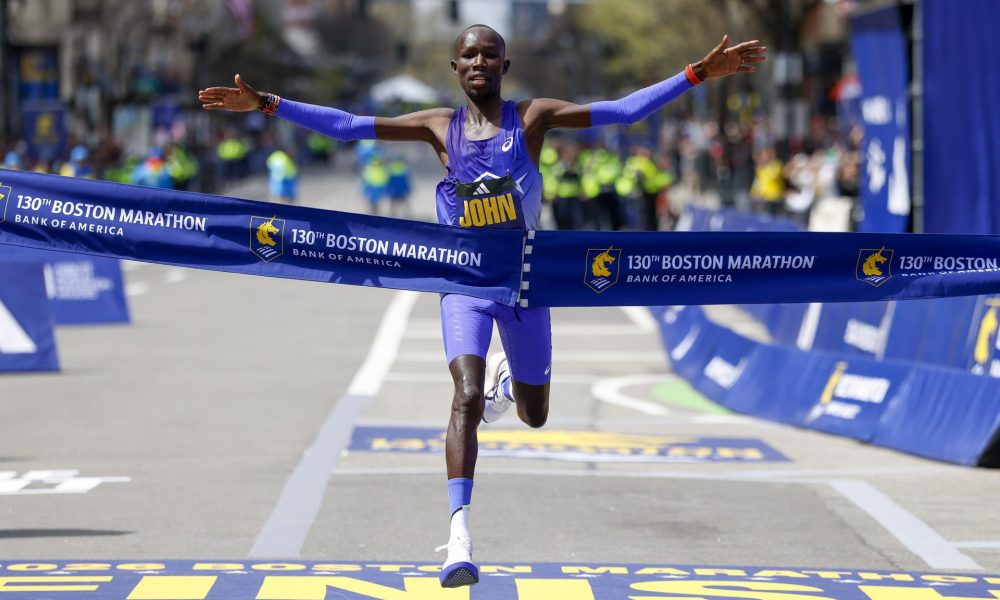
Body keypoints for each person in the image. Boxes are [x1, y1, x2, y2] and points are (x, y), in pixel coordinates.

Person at [198, 25, 764, 588]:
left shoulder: (533, 118)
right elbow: (347, 127)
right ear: (454, 67)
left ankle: (507, 385)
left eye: (489, 55)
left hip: (524, 288)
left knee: (534, 414)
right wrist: (268, 103)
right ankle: (459, 535)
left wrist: (696, 73)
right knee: (463, 398)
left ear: (504, 66)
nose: (478, 62)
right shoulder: (439, 127)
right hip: (465, 284)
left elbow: (620, 112)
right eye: (468, 54)